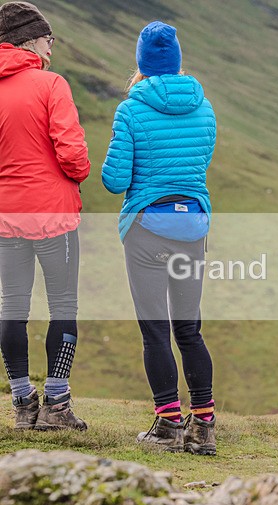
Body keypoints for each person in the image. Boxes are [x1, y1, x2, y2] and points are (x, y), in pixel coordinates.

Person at [102, 21, 217, 454]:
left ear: (141, 63)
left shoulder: (130, 110)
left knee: (155, 331)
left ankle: (168, 424)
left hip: (147, 227)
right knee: (190, 329)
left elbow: (114, 180)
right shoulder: (204, 107)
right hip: (193, 228)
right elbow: (200, 163)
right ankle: (203, 425)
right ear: (177, 60)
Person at [0, 1, 90, 431]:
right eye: (48, 40)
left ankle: (22, 403)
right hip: (54, 217)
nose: (51, 49)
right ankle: (56, 405)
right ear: (31, 40)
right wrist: (78, 173)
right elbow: (73, 156)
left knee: (12, 308)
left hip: (5, 218)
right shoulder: (51, 84)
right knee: (64, 306)